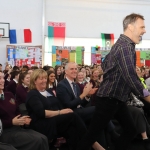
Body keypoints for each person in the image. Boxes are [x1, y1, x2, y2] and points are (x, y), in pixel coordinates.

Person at [76, 13, 150, 150]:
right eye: (142, 27)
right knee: (91, 136)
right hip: (108, 99)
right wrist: (147, 96)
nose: (145, 30)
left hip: (116, 98)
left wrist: (112, 75)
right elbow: (131, 77)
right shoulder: (124, 47)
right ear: (130, 27)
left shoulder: (123, 45)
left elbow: (105, 65)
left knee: (130, 130)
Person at [26, 69, 105, 150]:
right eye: (41, 79)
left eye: (45, 78)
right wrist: (61, 112)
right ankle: (93, 143)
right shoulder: (32, 94)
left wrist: (64, 111)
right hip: (44, 123)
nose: (44, 81)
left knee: (73, 130)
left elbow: (58, 105)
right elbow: (41, 113)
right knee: (73, 115)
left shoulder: (48, 91)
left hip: (55, 119)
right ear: (34, 81)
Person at [0, 71, 49, 150]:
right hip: (5, 132)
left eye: (2, 78)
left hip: (17, 128)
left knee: (43, 138)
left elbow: (17, 111)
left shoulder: (9, 95)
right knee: (37, 140)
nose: (2, 80)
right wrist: (11, 122)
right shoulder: (19, 89)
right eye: (0, 78)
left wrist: (22, 118)